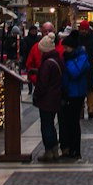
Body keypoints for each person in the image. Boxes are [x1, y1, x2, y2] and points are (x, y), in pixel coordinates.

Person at [58, 28, 90, 160]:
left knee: (74, 123)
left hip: (76, 94)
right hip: (68, 93)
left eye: (66, 47)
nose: (64, 50)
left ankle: (75, 149)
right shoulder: (71, 57)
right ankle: (69, 148)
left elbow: (75, 73)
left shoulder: (81, 57)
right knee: (67, 122)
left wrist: (67, 62)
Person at [32, 32, 62, 161]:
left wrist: (36, 95)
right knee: (51, 125)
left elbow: (43, 84)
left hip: (47, 100)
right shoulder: (57, 60)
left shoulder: (47, 64)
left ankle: (49, 151)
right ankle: (55, 150)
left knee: (46, 125)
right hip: (56, 98)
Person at [25, 22, 53, 94]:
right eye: (45, 31)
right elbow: (29, 66)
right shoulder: (36, 47)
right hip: (40, 85)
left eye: (49, 31)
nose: (47, 33)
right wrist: (36, 80)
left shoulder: (60, 46)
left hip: (55, 87)